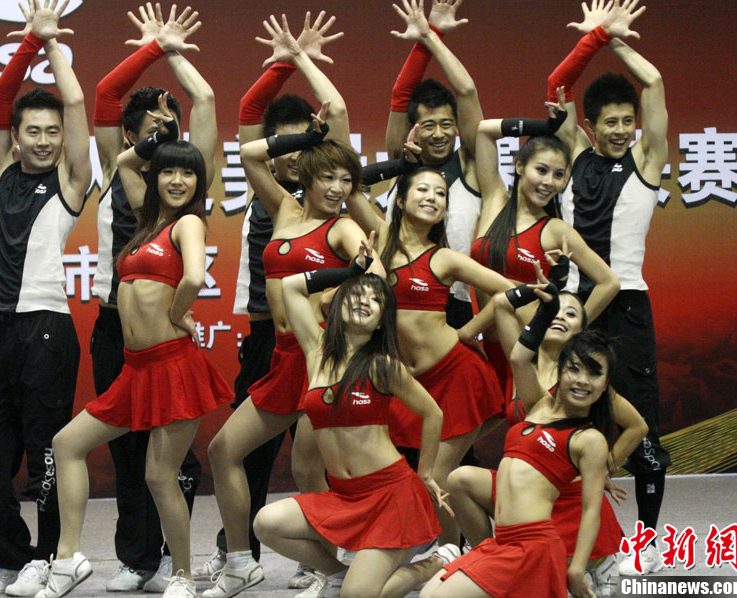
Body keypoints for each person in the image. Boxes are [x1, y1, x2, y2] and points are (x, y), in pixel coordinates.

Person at [207, 17, 381, 598]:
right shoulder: (283, 209)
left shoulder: (342, 229)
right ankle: (240, 561)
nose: (338, 189)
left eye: (346, 181)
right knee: (223, 452)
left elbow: (375, 281)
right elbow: (249, 151)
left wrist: (326, 289)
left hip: (323, 358)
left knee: (312, 469)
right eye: (328, 178)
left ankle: (332, 570)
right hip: (281, 359)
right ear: (308, 172)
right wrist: (309, 135)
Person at [37, 97, 232, 598]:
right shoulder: (148, 223)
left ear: (199, 183)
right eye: (167, 171)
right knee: (67, 444)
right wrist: (160, 137)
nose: (177, 181)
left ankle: (182, 576)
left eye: (187, 174)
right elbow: (125, 162)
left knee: (160, 477)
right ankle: (68, 558)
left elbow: (194, 276)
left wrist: (178, 313)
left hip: (172, 367)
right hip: (135, 370)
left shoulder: (188, 223)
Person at [0, 1, 91, 595]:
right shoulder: (2, 172)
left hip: (46, 331)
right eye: (32, 131)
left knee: (46, 453)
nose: (43, 140)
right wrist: (28, 43)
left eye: (52, 132)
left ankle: (51, 557)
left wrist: (53, 46)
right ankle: (11, 557)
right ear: (15, 137)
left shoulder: (69, 182)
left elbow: (77, 104)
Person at [90, 4, 213, 592]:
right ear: (133, 135)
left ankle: (171, 558)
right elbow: (105, 96)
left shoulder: (183, 186)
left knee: (168, 461)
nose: (167, 138)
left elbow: (206, 101)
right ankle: (136, 558)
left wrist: (174, 52)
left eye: (173, 129)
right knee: (125, 454)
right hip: (113, 325)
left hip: (165, 334)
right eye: (155, 130)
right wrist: (150, 49)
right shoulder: (124, 173)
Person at [253, 240, 449, 598]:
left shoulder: (383, 366)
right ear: (340, 302)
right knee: (266, 524)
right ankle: (340, 574)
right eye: (356, 293)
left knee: (358, 596)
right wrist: (351, 271)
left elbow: (432, 413)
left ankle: (436, 563)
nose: (363, 301)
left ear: (381, 322)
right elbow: (291, 286)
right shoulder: (316, 351)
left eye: (375, 300)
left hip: (390, 497)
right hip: (343, 497)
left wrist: (426, 474)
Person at [549, 0, 671, 575]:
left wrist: (614, 39)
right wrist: (592, 38)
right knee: (569, 425)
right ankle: (581, 544)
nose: (622, 130)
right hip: (575, 308)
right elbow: (558, 85)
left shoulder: (647, 160)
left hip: (627, 310)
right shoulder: (574, 156)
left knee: (641, 429)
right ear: (590, 127)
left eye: (628, 121)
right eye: (611, 123)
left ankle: (644, 548)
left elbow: (655, 82)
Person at [345, 165, 513, 548]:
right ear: (401, 199)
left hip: (457, 377)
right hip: (409, 384)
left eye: (440, 194)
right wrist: (400, 164)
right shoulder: (381, 240)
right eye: (422, 189)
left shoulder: (445, 259)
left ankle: (461, 554)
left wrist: (469, 330)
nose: (432, 198)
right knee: (421, 479)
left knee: (437, 477)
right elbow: (353, 186)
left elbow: (508, 291)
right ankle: (464, 552)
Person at [449, 274, 648, 596]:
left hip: (565, 495)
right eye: (555, 311)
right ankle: (490, 562)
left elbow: (637, 426)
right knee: (460, 479)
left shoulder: (583, 383)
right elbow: (500, 304)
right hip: (526, 489)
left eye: (571, 313)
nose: (560, 316)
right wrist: (541, 295)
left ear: (581, 332)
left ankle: (593, 563)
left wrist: (603, 466)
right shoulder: (525, 369)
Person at [470, 91, 620, 396]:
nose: (549, 182)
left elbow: (609, 282)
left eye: (559, 175)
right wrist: (545, 127)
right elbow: (484, 131)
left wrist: (571, 327)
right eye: (541, 170)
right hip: (486, 346)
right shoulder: (495, 200)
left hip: (528, 350)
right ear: (519, 166)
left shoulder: (554, 229)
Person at [372, 0, 484, 329]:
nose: (438, 134)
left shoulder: (470, 164)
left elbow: (467, 92)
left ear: (458, 127)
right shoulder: (402, 161)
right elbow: (400, 93)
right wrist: (426, 35)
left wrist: (433, 36)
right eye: (428, 126)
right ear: (414, 129)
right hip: (395, 297)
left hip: (453, 301)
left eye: (446, 125)